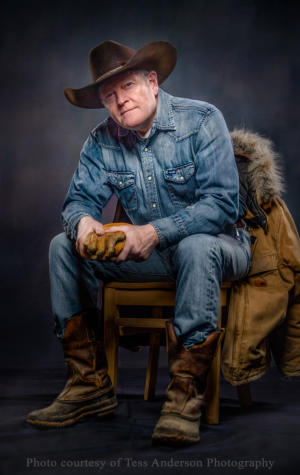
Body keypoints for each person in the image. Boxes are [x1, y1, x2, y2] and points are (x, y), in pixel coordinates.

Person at [26, 40, 251, 445]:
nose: (119, 102)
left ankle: (185, 395)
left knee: (194, 246)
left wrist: (153, 232)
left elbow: (221, 206)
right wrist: (84, 226)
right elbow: (76, 202)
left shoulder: (201, 120)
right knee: (62, 246)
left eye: (127, 87)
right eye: (108, 97)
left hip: (220, 248)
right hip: (154, 258)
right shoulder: (101, 141)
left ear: (152, 81)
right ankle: (88, 384)